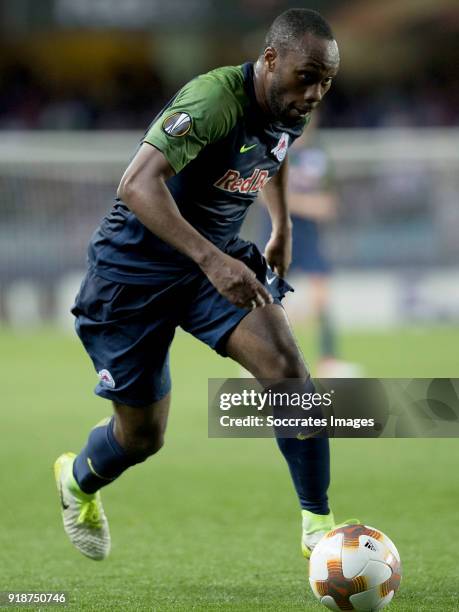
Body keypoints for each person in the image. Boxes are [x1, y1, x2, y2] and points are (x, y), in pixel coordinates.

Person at [54, 8, 355, 562]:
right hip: (132, 274)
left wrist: (281, 224)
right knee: (143, 437)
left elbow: (277, 150)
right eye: (307, 77)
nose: (315, 93)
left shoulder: (291, 102)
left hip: (211, 265)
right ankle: (77, 482)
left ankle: (320, 531)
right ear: (270, 60)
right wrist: (212, 260)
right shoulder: (214, 99)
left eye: (326, 81)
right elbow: (136, 186)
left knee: (288, 373)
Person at [261, 116, 362, 377]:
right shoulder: (274, 148)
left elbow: (328, 202)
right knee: (271, 303)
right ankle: (260, 363)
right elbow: (263, 195)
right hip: (278, 236)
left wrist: (302, 203)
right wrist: (306, 205)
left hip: (308, 236)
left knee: (322, 298)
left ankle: (328, 361)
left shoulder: (318, 154)